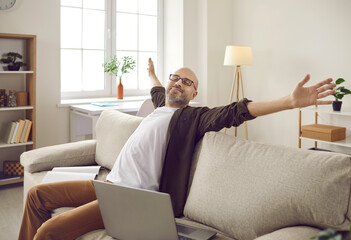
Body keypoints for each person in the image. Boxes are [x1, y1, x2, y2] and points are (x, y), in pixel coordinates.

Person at [19, 58, 336, 240]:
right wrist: (154, 74)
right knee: (37, 196)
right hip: (105, 185)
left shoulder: (193, 117)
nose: (178, 83)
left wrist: (289, 102)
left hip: (129, 196)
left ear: (195, 91)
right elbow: (158, 89)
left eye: (186, 82)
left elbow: (237, 111)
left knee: (50, 231)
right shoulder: (159, 105)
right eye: (175, 78)